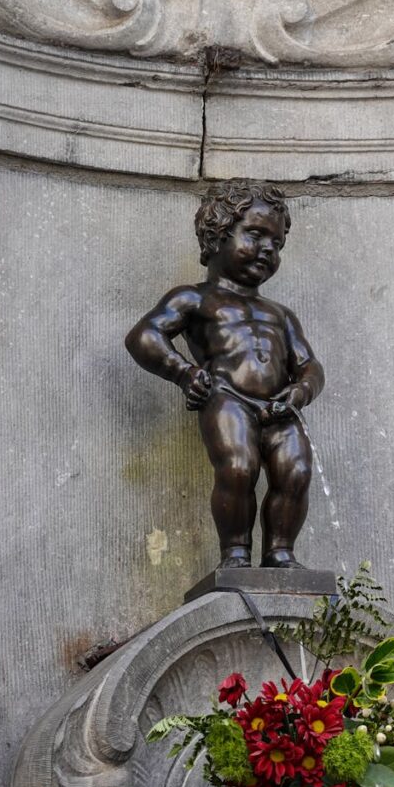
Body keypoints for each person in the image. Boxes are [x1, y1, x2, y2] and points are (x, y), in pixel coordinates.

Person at [125, 182, 324, 570]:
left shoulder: (280, 314)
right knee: (237, 467)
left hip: (281, 406)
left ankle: (280, 552)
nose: (268, 248)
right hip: (227, 396)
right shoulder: (194, 298)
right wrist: (183, 373)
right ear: (217, 235)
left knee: (296, 470)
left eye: (278, 243)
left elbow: (310, 366)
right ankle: (234, 554)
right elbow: (143, 336)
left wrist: (300, 392)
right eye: (255, 234)